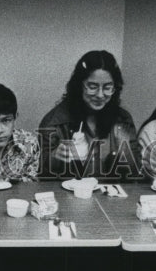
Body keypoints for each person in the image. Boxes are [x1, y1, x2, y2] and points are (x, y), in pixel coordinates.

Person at [38, 50, 140, 181]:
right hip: (69, 197)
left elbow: (134, 175)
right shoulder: (54, 122)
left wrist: (126, 153)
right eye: (92, 86)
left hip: (110, 198)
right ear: (79, 85)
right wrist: (55, 157)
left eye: (108, 87)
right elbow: (40, 176)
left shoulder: (123, 120)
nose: (100, 95)